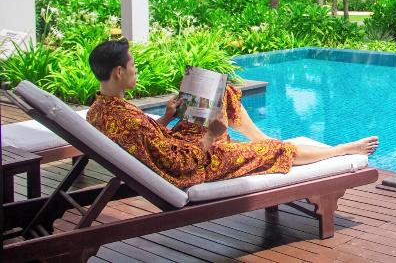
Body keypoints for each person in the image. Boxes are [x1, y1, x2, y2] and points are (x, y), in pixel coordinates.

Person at [86, 39, 378, 189]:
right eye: (133, 65)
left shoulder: (100, 110)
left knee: (220, 91)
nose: (136, 70)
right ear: (119, 71)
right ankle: (341, 150)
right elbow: (179, 165)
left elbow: (147, 144)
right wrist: (211, 136)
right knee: (278, 150)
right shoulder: (124, 119)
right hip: (195, 163)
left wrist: (165, 117)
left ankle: (258, 137)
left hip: (179, 147)